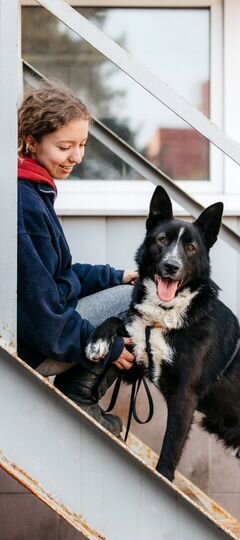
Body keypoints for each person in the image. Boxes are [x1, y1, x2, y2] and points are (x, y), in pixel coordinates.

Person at [17, 84, 137, 436]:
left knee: (135, 286)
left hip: (49, 335)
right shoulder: (23, 205)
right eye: (65, 147)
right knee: (147, 300)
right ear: (31, 141)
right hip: (39, 348)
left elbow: (59, 273)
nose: (77, 157)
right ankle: (80, 396)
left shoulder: (34, 191)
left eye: (82, 144)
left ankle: (81, 392)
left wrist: (117, 276)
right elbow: (41, 316)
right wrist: (107, 348)